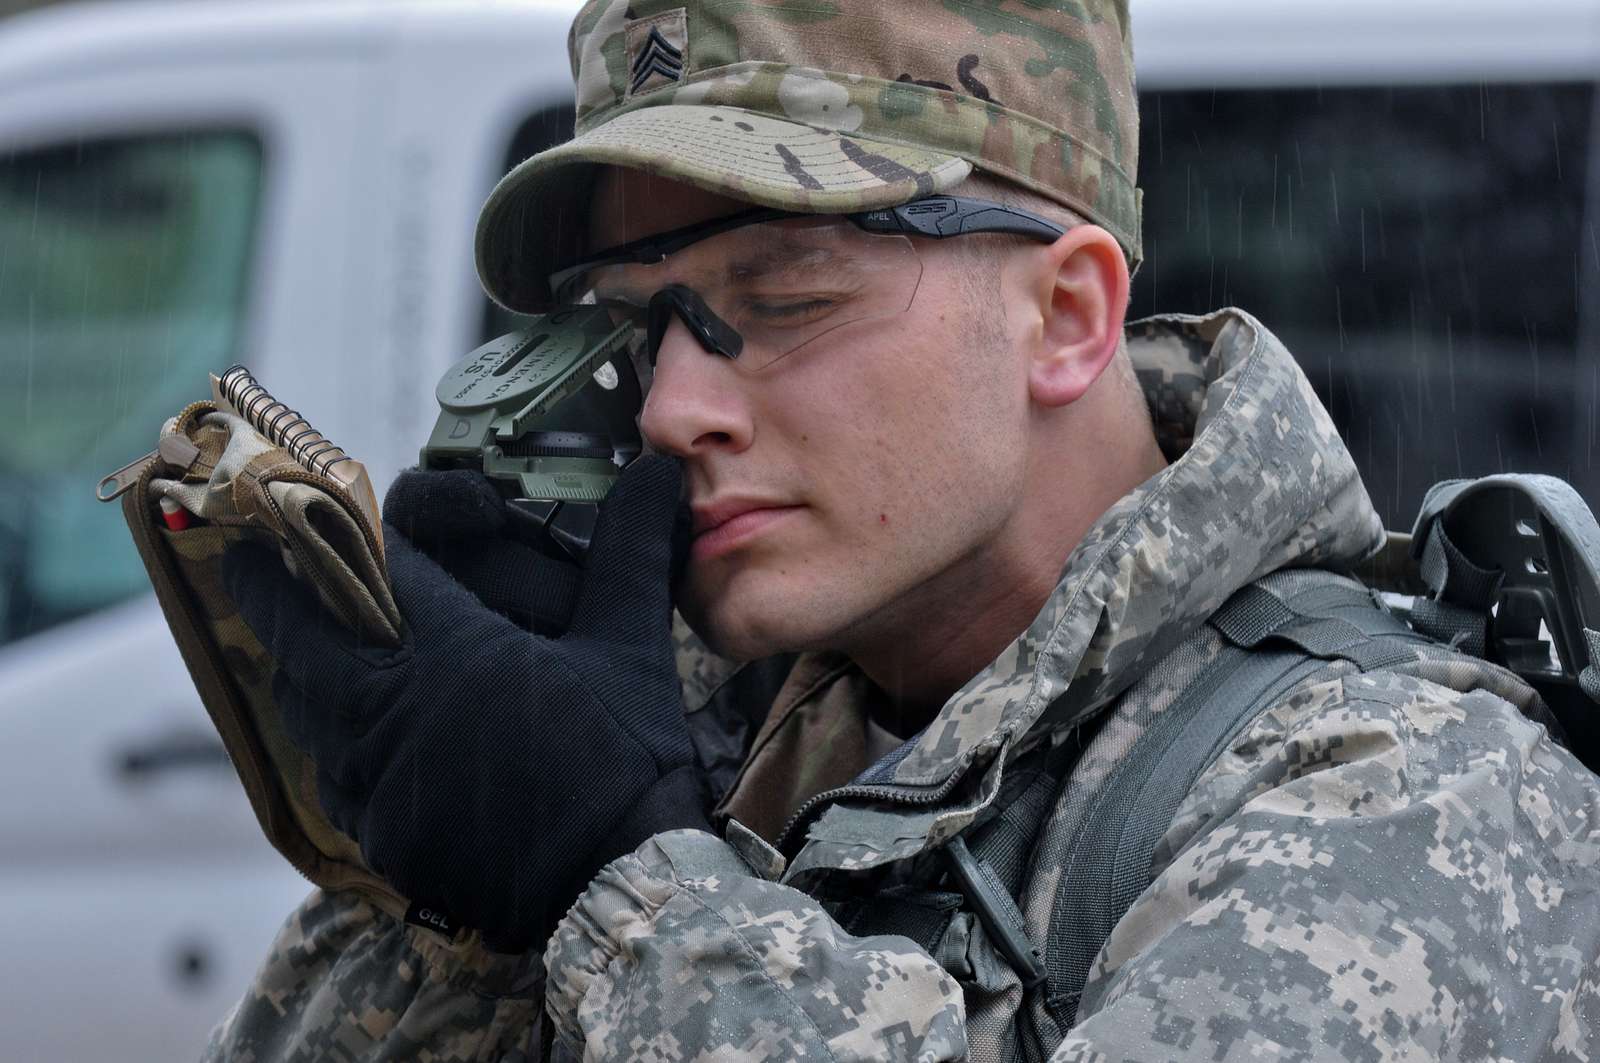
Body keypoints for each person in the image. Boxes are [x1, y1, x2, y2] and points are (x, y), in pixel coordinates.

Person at [204, 0, 1600, 1059]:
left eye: (790, 298)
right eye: (635, 327)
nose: (674, 405)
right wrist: (448, 901)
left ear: (1064, 318)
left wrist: (614, 889)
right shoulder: (715, 722)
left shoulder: (1409, 796)